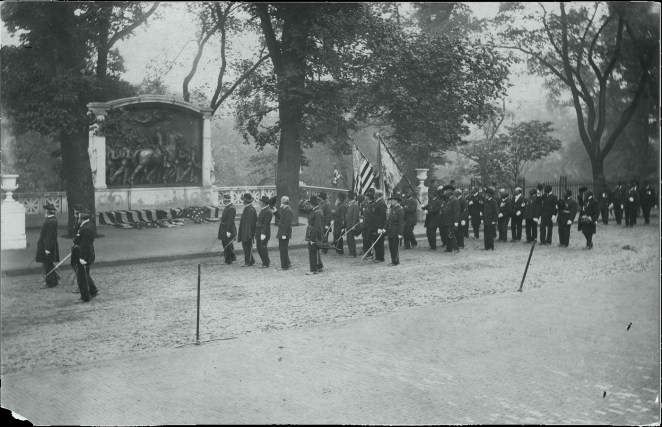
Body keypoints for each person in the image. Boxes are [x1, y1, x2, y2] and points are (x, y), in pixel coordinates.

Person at [75, 207, 98, 302]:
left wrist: (82, 257)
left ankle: (85, 297)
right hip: (87, 253)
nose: (78, 217)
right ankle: (93, 290)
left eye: (79, 216)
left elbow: (85, 244)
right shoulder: (88, 225)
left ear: (82, 217)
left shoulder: (86, 228)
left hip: (85, 255)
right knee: (85, 274)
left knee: (81, 277)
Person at [36, 202, 60, 289]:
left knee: (48, 264)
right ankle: (52, 280)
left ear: (48, 212)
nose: (45, 212)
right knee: (47, 263)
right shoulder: (50, 220)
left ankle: (51, 282)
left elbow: (50, 236)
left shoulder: (51, 221)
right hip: (46, 245)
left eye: (45, 210)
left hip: (48, 246)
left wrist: (48, 248)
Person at [305, 195, 324, 275]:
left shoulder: (317, 212)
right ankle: (319, 266)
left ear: (312, 204)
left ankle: (313, 269)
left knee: (313, 250)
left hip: (315, 234)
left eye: (310, 203)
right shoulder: (316, 210)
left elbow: (317, 227)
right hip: (313, 232)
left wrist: (312, 238)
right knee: (315, 250)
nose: (309, 205)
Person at [385, 191, 405, 265]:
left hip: (396, 231)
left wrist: (400, 233)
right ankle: (393, 260)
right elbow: (388, 220)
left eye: (393, 200)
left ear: (396, 201)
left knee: (394, 247)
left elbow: (401, 222)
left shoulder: (400, 209)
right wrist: (385, 228)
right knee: (391, 246)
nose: (392, 201)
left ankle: (395, 261)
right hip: (390, 230)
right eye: (391, 200)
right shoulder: (392, 208)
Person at [238, 193, 257, 267]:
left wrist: (250, 234)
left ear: (246, 201)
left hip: (248, 232)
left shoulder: (251, 209)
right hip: (245, 232)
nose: (243, 201)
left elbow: (251, 223)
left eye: (243, 200)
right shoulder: (247, 208)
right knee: (245, 246)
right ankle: (251, 260)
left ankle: (248, 261)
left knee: (247, 247)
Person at [217, 194, 237, 265]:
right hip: (224, 227)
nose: (223, 201)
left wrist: (228, 231)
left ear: (226, 200)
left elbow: (230, 220)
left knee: (226, 244)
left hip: (227, 228)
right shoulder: (228, 207)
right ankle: (232, 257)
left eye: (224, 200)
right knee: (226, 243)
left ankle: (228, 260)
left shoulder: (231, 208)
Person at [440, 186, 460, 253]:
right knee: (447, 235)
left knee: (451, 234)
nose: (445, 192)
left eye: (446, 190)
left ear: (450, 191)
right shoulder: (448, 199)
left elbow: (456, 212)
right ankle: (449, 248)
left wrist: (456, 221)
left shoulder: (455, 200)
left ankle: (456, 248)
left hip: (451, 221)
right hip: (446, 220)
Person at [255, 195, 273, 268]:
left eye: (261, 201)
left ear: (264, 203)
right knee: (259, 248)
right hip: (259, 232)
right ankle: (265, 261)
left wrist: (263, 233)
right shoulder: (263, 209)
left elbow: (266, 224)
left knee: (262, 248)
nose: (259, 202)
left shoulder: (268, 211)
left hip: (263, 233)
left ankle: (265, 263)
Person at [371, 189, 388, 262]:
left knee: (379, 243)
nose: (374, 195)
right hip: (375, 226)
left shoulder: (381, 203)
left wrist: (380, 228)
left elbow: (382, 217)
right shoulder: (378, 202)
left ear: (378, 195)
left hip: (378, 227)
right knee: (376, 243)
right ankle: (377, 256)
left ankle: (380, 258)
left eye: (375, 194)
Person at [276, 196, 293, 270]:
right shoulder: (284, 209)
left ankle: (285, 266)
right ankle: (287, 263)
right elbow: (281, 218)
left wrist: (284, 234)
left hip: (284, 232)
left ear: (283, 202)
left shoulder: (288, 210)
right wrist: (275, 212)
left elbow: (287, 223)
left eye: (281, 201)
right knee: (282, 248)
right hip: (282, 231)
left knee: (283, 249)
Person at [344, 191, 360, 257]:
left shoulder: (355, 205)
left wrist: (353, 225)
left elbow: (355, 216)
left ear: (349, 197)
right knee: (349, 239)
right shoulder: (350, 204)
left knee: (351, 239)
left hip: (351, 225)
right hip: (348, 224)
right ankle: (351, 252)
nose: (347, 198)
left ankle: (353, 253)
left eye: (347, 197)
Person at [360, 189, 375, 258]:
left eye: (367, 196)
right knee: (365, 238)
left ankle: (370, 253)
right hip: (365, 223)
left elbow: (373, 215)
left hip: (371, 224)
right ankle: (366, 250)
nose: (366, 197)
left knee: (369, 239)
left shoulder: (373, 204)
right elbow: (363, 213)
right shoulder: (365, 203)